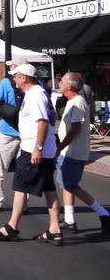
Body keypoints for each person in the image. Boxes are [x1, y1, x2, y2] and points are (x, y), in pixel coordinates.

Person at [0, 63, 61, 245]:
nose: (13, 79)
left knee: (20, 187)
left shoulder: (34, 95)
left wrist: (38, 147)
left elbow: (43, 122)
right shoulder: (36, 93)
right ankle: (55, 230)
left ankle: (11, 227)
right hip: (43, 149)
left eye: (15, 76)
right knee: (49, 189)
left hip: (33, 150)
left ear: (24, 78)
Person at [55, 72, 110, 236]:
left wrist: (59, 147)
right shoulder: (72, 101)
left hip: (73, 152)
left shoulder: (77, 103)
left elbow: (75, 130)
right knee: (66, 184)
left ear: (69, 86)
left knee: (71, 185)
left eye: (62, 81)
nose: (59, 84)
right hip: (69, 151)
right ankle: (70, 220)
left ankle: (104, 214)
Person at [0, 60, 23, 212]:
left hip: (7, 131)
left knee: (0, 168)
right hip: (26, 134)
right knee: (23, 170)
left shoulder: (6, 82)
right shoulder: (37, 84)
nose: (10, 68)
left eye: (13, 66)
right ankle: (22, 204)